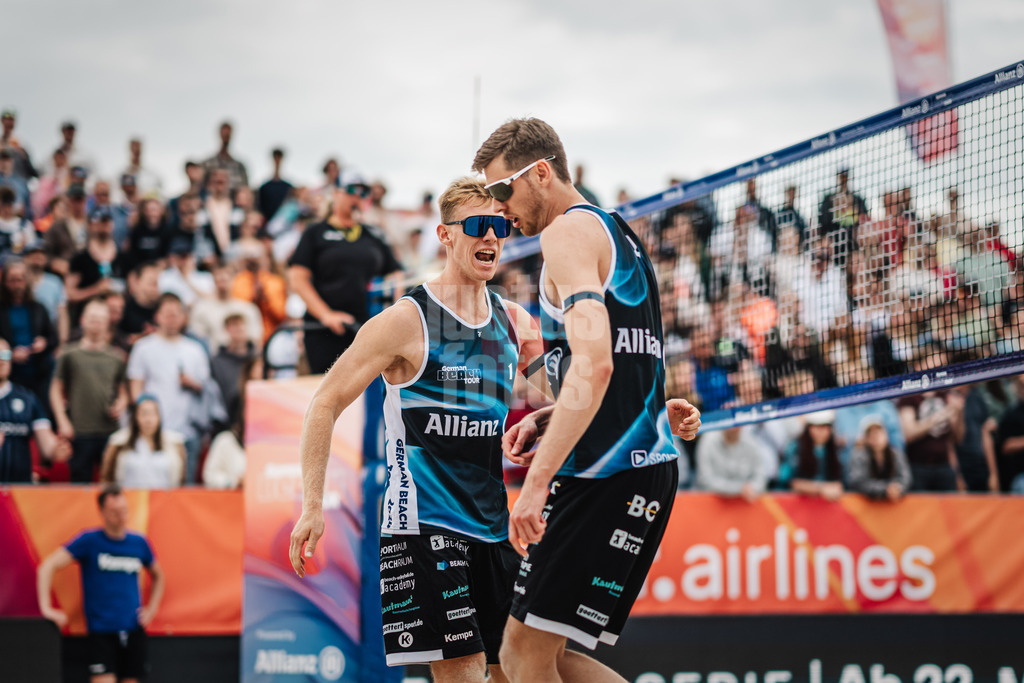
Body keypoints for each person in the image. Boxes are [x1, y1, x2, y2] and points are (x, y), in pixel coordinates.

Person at [290, 177, 547, 682]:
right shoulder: (407, 321)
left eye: (499, 225)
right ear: (446, 235)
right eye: (478, 226)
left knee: (517, 671)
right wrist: (312, 505)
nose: (492, 237)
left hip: (494, 527)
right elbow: (324, 402)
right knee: (465, 672)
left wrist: (655, 413)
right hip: (424, 526)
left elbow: (572, 400)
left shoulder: (516, 321)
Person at [473, 118, 693, 681]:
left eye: (503, 191)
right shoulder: (617, 230)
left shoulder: (566, 233)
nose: (500, 211)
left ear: (540, 173)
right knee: (541, 653)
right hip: (643, 464)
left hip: (605, 472)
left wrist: (538, 484)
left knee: (519, 653)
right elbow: (623, 357)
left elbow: (596, 364)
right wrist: (556, 414)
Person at [37, 484, 165, 683]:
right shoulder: (90, 541)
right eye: (114, 512)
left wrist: (152, 608)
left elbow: (159, 575)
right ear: (102, 512)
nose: (120, 516)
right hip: (102, 632)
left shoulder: (138, 543)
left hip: (133, 630)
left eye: (123, 510)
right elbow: (47, 566)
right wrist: (46, 607)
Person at [287, 179, 403, 374]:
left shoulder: (373, 235)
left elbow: (395, 273)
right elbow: (297, 278)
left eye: (363, 193)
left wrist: (393, 311)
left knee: (369, 395)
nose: (357, 197)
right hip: (325, 332)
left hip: (368, 331)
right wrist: (326, 315)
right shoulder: (316, 233)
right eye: (351, 191)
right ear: (336, 194)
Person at [126, 293, 210, 484]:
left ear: (184, 317)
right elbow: (135, 387)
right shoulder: (143, 348)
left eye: (176, 314)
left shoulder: (195, 350)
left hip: (187, 432)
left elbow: (206, 389)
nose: (172, 319)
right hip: (153, 433)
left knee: (184, 490)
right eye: (167, 314)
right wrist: (144, 420)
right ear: (157, 316)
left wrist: (192, 383)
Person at [51, 298, 129, 483]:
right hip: (79, 431)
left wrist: (121, 404)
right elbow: (55, 389)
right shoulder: (70, 354)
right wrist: (63, 421)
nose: (96, 324)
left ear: (108, 322)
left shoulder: (116, 357)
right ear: (83, 320)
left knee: (110, 481)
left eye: (101, 319)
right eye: (92, 318)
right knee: (80, 484)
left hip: (109, 431)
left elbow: (124, 390)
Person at [0, 337, 69, 482]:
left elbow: (47, 445)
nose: (2, 361)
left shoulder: (28, 399)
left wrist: (57, 449)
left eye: (5, 355)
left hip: (19, 494)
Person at [100, 395, 186, 488]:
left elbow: (181, 480)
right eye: (144, 414)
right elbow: (107, 478)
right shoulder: (118, 442)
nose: (148, 420)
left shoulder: (174, 443)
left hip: (164, 499)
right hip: (130, 499)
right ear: (136, 417)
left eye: (153, 414)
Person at [189, 261, 263, 351]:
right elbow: (198, 340)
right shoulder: (201, 308)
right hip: (214, 360)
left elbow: (256, 342)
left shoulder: (249, 309)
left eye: (227, 274)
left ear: (234, 278)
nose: (222, 277)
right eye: (218, 275)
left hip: (244, 360)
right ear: (213, 279)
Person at [781, 410, 844, 501]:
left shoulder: (833, 450)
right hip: (795, 506)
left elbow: (839, 482)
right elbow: (790, 481)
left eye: (826, 427)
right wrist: (821, 488)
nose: (822, 432)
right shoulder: (795, 447)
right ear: (809, 428)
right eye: (818, 427)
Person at [847, 414, 912, 500]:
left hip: (893, 504)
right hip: (866, 506)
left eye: (878, 432)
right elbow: (858, 482)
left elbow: (906, 478)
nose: (876, 436)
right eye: (871, 434)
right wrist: (885, 489)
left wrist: (898, 488)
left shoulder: (896, 454)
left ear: (886, 434)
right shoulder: (858, 456)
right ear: (865, 438)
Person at [695, 425, 767, 501]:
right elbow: (704, 479)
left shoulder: (751, 442)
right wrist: (739, 489)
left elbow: (761, 475)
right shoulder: (708, 441)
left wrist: (752, 488)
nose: (733, 428)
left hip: (746, 503)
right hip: (710, 503)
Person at [201, 121, 248, 191]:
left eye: (228, 135)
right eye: (224, 134)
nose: (226, 137)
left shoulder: (239, 167)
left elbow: (245, 190)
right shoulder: (208, 164)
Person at [257, 148, 293, 223]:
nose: (277, 160)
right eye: (276, 157)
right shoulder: (265, 187)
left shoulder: (288, 187)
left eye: (279, 157)